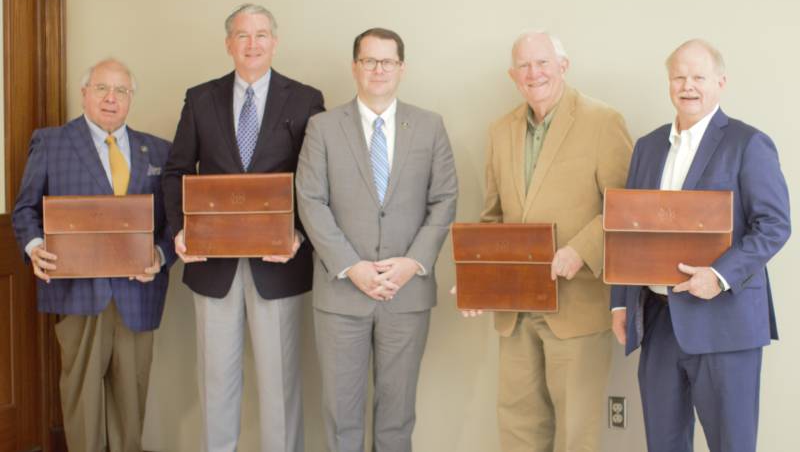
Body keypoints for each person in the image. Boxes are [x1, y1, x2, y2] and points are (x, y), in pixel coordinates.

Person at [455, 31, 633, 452]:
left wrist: (581, 250)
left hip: (577, 305)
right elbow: (493, 218)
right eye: (524, 65)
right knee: (518, 428)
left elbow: (625, 206)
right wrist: (478, 281)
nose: (533, 73)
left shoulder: (602, 121)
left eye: (542, 63)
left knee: (575, 432)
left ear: (563, 66)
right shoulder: (500, 130)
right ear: (512, 75)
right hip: (516, 311)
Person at [610, 39, 791, 452]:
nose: (687, 86)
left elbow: (774, 225)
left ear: (720, 83)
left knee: (732, 445)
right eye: (678, 77)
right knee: (663, 443)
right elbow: (626, 229)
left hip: (725, 323)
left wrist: (719, 275)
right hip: (658, 321)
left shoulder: (749, 143)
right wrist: (620, 302)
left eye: (698, 77)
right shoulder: (647, 146)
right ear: (669, 83)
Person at [161, 4, 324, 452]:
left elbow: (316, 181)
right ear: (228, 44)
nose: (252, 44)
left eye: (261, 35)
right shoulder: (200, 98)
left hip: (280, 263)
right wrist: (180, 232)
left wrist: (298, 236)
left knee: (281, 387)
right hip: (212, 265)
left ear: (275, 42)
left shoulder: (305, 99)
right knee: (216, 383)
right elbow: (176, 171)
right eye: (243, 35)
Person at [295, 27, 458, 452]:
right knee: (341, 417)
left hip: (407, 293)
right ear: (355, 67)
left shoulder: (429, 126)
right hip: (341, 294)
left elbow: (444, 199)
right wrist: (352, 267)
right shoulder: (323, 128)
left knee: (397, 418)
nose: (378, 69)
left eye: (388, 61)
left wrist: (412, 263)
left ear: (402, 68)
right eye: (369, 60)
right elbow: (310, 201)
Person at [12, 58, 175, 452]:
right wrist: (35, 248)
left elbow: (175, 221)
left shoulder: (159, 150)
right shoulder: (51, 143)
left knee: (131, 405)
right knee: (82, 401)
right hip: (78, 293)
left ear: (131, 98)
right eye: (102, 88)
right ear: (84, 93)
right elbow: (25, 210)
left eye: (121, 90)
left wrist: (160, 254)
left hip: (138, 295)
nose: (111, 98)